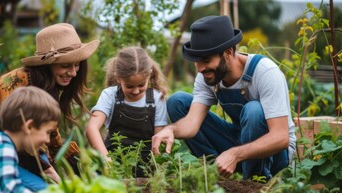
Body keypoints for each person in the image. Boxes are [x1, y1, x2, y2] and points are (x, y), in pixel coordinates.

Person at [152, 15, 296, 180]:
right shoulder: (207, 75)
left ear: (228, 52)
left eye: (206, 60)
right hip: (240, 142)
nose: (200, 68)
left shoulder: (265, 72)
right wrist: (171, 129)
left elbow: (281, 137)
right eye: (196, 61)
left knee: (254, 111)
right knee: (177, 102)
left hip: (275, 155)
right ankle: (216, 175)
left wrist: (235, 154)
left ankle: (255, 182)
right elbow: (191, 123)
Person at [0, 23, 100, 191]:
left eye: (77, 65)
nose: (74, 73)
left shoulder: (46, 84)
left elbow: (51, 136)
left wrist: (80, 166)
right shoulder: (18, 85)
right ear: (46, 65)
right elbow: (22, 134)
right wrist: (48, 169)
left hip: (12, 151)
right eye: (66, 65)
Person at [86, 46, 168, 177]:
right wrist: (106, 159)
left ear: (149, 74)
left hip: (144, 166)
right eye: (129, 86)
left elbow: (158, 138)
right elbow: (92, 128)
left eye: (141, 85)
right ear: (118, 78)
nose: (136, 91)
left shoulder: (157, 99)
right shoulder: (110, 95)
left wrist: (157, 166)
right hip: (113, 161)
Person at [0, 86, 61, 193]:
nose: (47, 140)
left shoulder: (4, 145)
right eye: (47, 132)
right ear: (29, 127)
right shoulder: (1, 147)